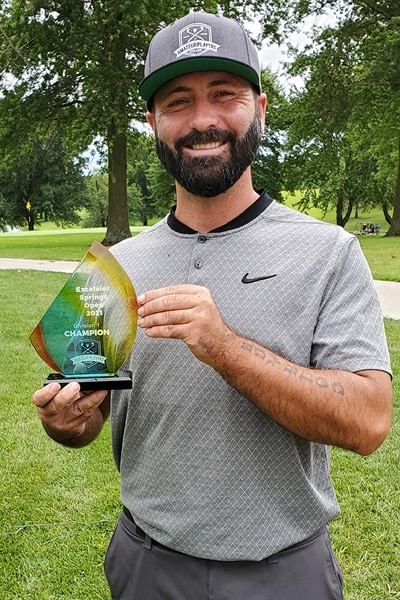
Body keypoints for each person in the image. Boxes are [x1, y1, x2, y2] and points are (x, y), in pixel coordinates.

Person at [32, 10, 392, 600]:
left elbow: (370, 422)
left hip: (284, 573)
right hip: (145, 565)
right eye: (177, 101)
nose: (202, 120)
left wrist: (224, 347)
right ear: (152, 122)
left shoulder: (329, 251)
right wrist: (65, 422)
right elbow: (85, 419)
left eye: (224, 94)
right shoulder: (113, 267)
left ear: (260, 108)